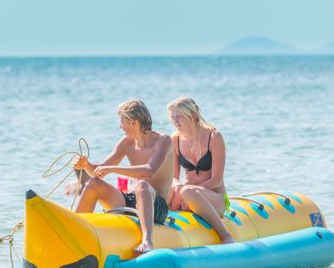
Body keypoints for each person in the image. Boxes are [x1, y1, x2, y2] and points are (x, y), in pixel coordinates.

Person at [74, 99, 173, 253]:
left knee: (142, 185)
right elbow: (99, 171)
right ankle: (74, 231)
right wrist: (86, 165)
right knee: (94, 184)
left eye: (122, 122)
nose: (120, 126)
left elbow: (149, 171)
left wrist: (113, 169)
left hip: (156, 206)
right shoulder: (126, 143)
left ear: (134, 122)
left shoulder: (163, 140)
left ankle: (147, 241)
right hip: (131, 200)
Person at [167, 97, 234, 244]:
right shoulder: (175, 140)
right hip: (186, 195)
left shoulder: (214, 137)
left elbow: (216, 180)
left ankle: (225, 235)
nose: (175, 121)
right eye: (172, 117)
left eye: (179, 117)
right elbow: (173, 177)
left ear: (192, 116)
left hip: (214, 197)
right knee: (167, 189)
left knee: (187, 191)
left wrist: (188, 191)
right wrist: (178, 189)